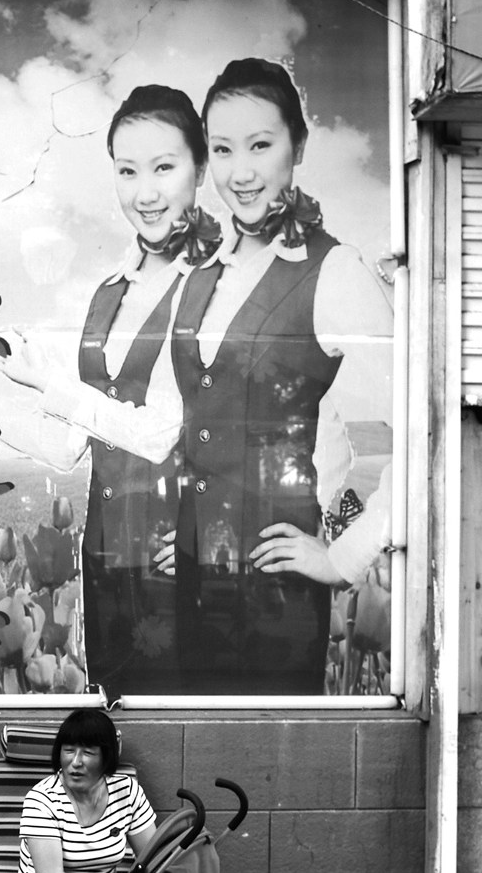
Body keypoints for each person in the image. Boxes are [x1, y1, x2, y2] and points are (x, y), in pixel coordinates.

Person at [0, 85, 221, 695]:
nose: (145, 192)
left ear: (200, 169)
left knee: (178, 716)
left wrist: (49, 380)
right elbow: (67, 446)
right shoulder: (109, 295)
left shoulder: (217, 286)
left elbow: (159, 434)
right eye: (127, 170)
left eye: (164, 167)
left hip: (178, 558)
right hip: (106, 557)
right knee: (115, 711)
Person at [164, 57, 394, 694]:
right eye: (222, 150)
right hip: (191, 590)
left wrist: (343, 559)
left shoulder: (334, 272)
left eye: (260, 145)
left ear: (299, 145)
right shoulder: (201, 275)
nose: (241, 173)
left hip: (274, 605)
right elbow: (189, 420)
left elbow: (423, 429)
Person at [8, 708, 158, 873]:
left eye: (88, 752)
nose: (75, 762)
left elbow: (154, 860)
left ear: (106, 757)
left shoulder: (127, 792)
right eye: (68, 750)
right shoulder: (42, 799)